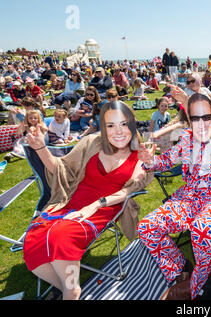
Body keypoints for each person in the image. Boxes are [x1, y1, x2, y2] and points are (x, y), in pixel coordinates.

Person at [22, 100, 153, 300]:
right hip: (72, 201)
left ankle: (71, 290)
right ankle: (69, 289)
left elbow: (129, 190)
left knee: (60, 235)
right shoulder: (92, 142)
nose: (118, 131)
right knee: (34, 236)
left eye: (124, 124)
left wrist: (95, 205)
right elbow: (61, 169)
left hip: (106, 207)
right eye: (111, 125)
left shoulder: (140, 154)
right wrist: (41, 148)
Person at [137, 93, 211, 300]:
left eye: (206, 117)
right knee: (147, 226)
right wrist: (151, 161)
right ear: (189, 120)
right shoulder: (187, 138)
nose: (201, 123)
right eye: (195, 118)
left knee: (202, 228)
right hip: (189, 198)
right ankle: (180, 270)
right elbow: (166, 161)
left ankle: (195, 284)